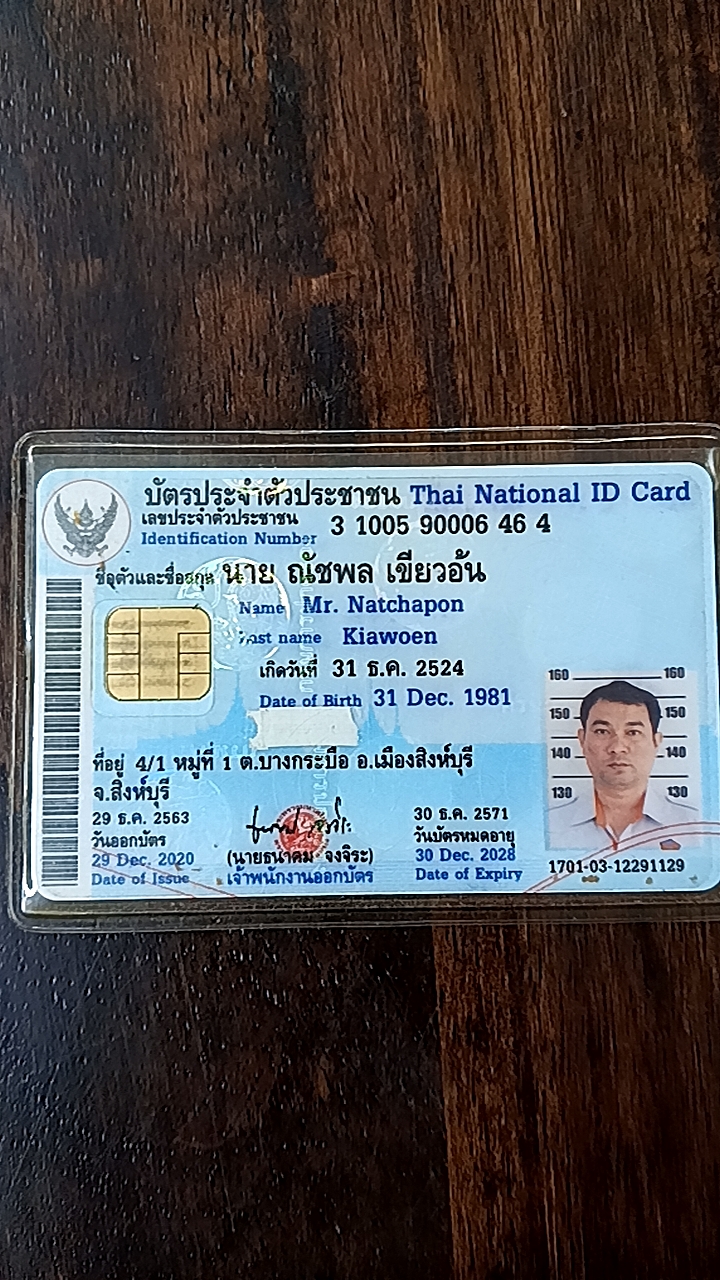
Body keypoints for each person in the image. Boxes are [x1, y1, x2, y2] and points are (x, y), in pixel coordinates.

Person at [549, 679, 699, 850]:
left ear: (656, 742)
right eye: (602, 731)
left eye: (633, 732)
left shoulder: (696, 828)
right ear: (582, 740)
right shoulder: (548, 826)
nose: (617, 747)